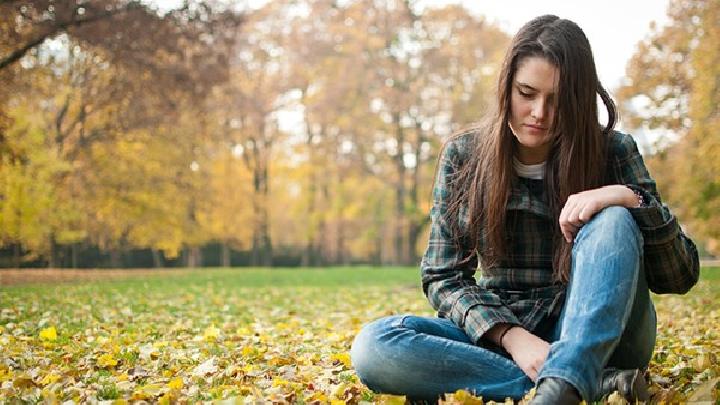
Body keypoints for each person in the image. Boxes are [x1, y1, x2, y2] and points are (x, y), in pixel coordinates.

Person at [349, 14, 699, 405]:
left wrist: (626, 197)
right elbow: (442, 276)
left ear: (579, 101)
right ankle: (582, 384)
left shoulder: (613, 152)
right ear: (506, 87)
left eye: (558, 100)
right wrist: (514, 339)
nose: (539, 113)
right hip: (506, 330)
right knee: (376, 346)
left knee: (616, 218)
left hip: (600, 331)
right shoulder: (464, 156)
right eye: (526, 93)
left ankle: (566, 379)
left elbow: (679, 277)